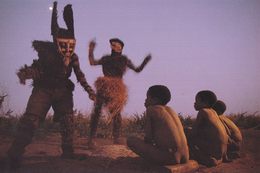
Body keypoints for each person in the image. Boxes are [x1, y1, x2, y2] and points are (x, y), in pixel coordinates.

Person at [5, 1, 95, 169]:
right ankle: (14, 153)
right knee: (30, 120)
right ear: (56, 42)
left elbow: (79, 74)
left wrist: (90, 91)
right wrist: (26, 74)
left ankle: (68, 151)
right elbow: (36, 68)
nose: (67, 49)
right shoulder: (47, 55)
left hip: (63, 91)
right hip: (43, 89)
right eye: (64, 44)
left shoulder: (73, 58)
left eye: (71, 44)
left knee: (68, 120)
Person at [87, 38, 151, 147]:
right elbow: (92, 62)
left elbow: (137, 69)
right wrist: (91, 49)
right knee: (97, 111)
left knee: (116, 113)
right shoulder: (106, 58)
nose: (113, 45)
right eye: (112, 44)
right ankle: (91, 138)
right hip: (104, 86)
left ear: (120, 47)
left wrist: (145, 61)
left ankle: (116, 138)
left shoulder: (124, 59)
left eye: (115, 44)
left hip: (117, 88)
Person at [127, 85, 189, 165]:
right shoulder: (171, 110)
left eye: (147, 97)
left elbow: (148, 138)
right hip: (185, 156)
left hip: (171, 158)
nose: (145, 100)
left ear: (155, 100)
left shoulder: (151, 110)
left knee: (131, 140)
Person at [189, 90, 228, 167]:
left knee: (188, 135)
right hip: (223, 150)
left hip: (214, 150)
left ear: (205, 103)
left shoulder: (202, 112)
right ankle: (221, 158)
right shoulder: (214, 112)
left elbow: (193, 132)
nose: (194, 103)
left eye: (197, 101)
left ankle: (205, 159)